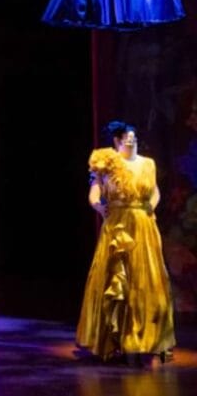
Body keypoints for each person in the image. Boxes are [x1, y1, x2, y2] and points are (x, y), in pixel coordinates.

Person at [76, 121, 176, 363]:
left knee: (145, 280)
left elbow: (155, 191)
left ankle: (146, 337)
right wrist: (99, 207)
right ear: (117, 141)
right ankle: (115, 338)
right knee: (116, 278)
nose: (130, 140)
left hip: (143, 225)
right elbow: (95, 191)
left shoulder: (148, 164)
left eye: (133, 137)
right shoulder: (106, 162)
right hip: (117, 225)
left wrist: (150, 207)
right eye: (125, 137)